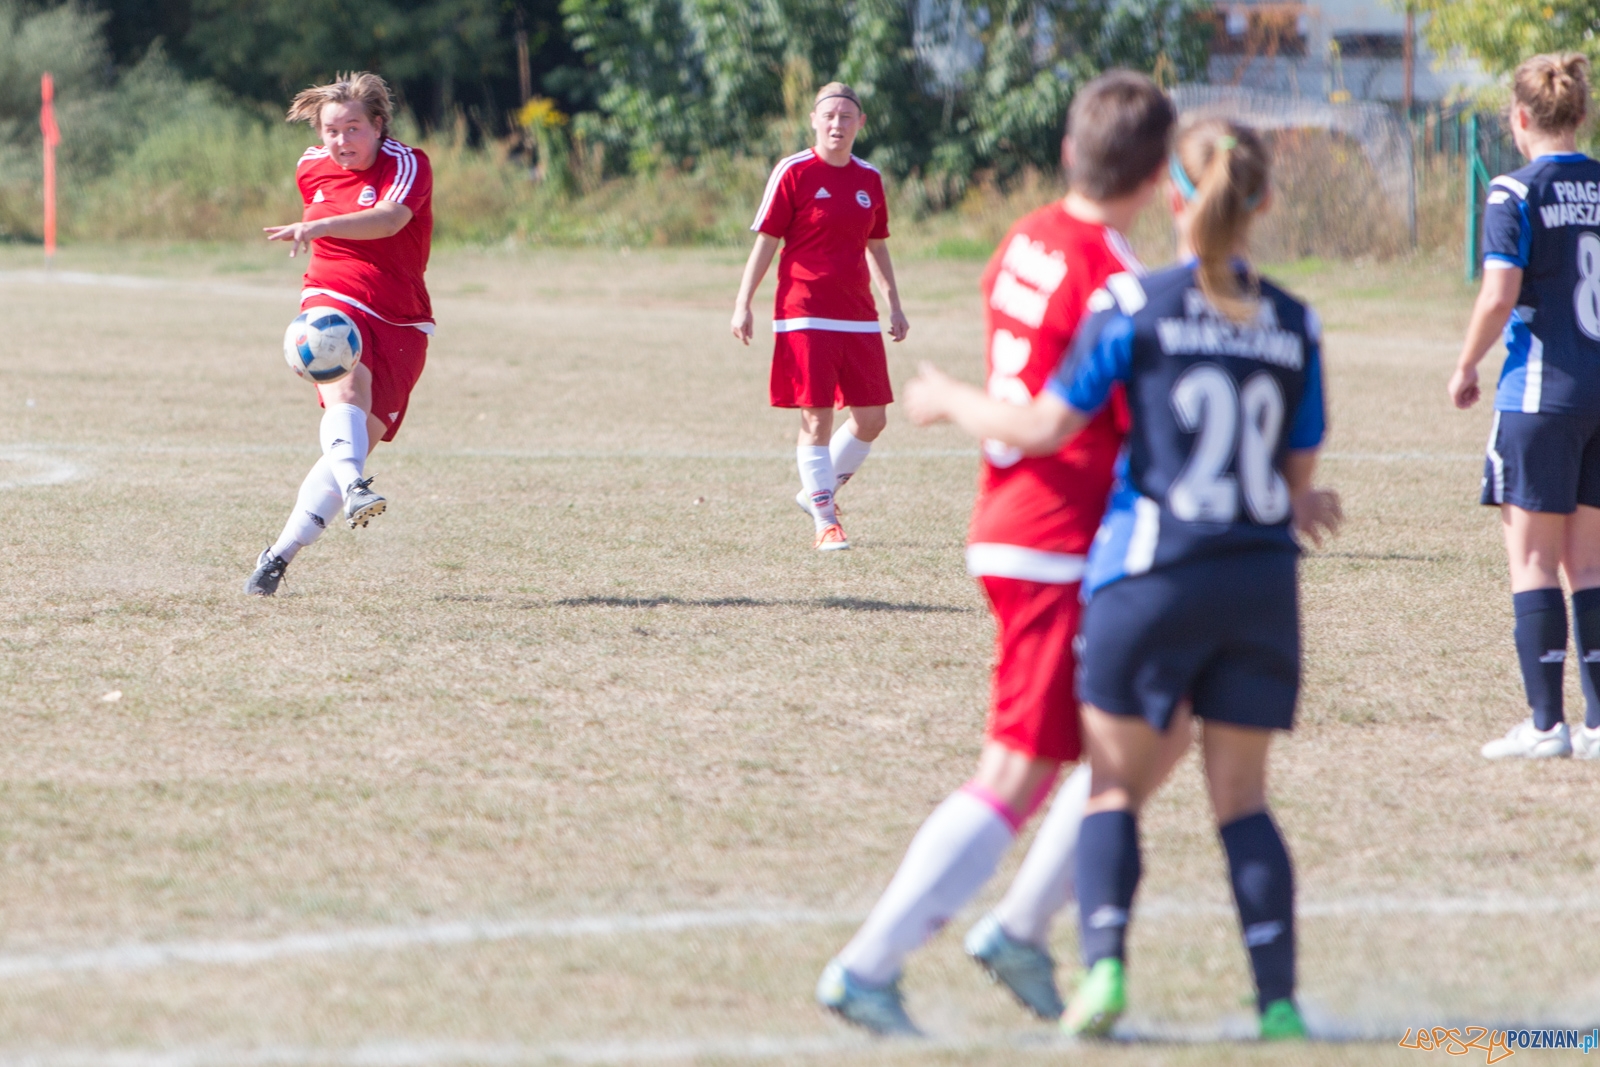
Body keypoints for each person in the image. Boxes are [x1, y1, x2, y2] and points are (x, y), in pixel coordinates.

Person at [908, 118, 1340, 1040]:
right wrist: (1297, 502)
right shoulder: (1297, 321)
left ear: (1174, 197)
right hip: (1261, 586)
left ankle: (1101, 975)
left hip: (1152, 576)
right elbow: (1293, 483)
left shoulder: (1133, 304)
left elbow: (1044, 428)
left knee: (1110, 786)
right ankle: (1278, 1003)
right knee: (1244, 804)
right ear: (1261, 201)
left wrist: (946, 400)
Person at [814, 71, 1191, 1037]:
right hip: (1059, 539)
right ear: (1157, 175)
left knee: (1152, 727)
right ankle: (874, 963)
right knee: (1021, 768)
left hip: (1031, 533)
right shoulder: (1116, 278)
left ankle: (1020, 926)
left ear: (1070, 151)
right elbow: (1052, 417)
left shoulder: (1024, 237)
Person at [1449, 53, 1600, 760]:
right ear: (1583, 115)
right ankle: (1597, 723)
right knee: (1591, 564)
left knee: (1535, 559)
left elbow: (1500, 292)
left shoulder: (1512, 190)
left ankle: (1546, 725)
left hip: (1542, 391)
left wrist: (1466, 362)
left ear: (1518, 119)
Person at [245, 71, 434, 596]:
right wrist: (320, 236)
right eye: (331, 130)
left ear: (377, 126)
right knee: (345, 393)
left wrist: (320, 226)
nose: (340, 141)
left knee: (357, 438)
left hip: (400, 315)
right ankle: (355, 486)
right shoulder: (310, 165)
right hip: (332, 299)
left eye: (352, 129)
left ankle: (277, 555)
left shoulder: (408, 163)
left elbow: (392, 219)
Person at [731, 83, 909, 552]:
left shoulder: (869, 178)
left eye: (847, 116)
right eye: (829, 115)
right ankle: (826, 521)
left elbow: (877, 245)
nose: (837, 123)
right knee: (817, 417)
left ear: (860, 124)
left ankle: (815, 492)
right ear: (814, 120)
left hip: (859, 314)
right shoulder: (793, 171)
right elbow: (766, 241)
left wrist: (893, 302)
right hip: (804, 312)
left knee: (872, 418)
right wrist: (742, 301)